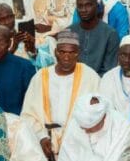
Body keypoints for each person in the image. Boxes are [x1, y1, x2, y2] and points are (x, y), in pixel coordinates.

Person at [21, 31, 101, 159]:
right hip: (43, 142)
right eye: (62, 52)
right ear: (55, 52)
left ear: (78, 53)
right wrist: (42, 137)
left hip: (79, 144)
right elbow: (28, 115)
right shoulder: (40, 77)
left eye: (71, 53)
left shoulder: (90, 77)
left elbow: (99, 114)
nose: (66, 58)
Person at [58, 94, 130, 161]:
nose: (86, 132)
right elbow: (66, 154)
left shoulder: (122, 127)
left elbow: (116, 158)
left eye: (90, 129)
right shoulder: (76, 121)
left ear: (103, 118)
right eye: (83, 128)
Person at [68, 0, 119, 76]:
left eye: (88, 5)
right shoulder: (69, 32)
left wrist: (92, 81)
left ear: (96, 7)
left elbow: (109, 70)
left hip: (100, 81)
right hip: (72, 80)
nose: (84, 10)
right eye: (80, 6)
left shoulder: (110, 34)